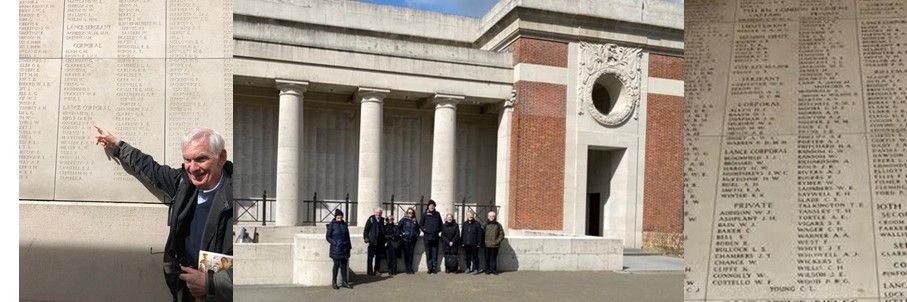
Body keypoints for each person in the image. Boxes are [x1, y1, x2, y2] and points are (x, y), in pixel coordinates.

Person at [94, 124, 233, 301]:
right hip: (186, 290)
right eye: (187, 159)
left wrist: (210, 283)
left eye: (200, 159)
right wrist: (117, 146)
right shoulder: (183, 183)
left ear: (221, 157)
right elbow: (152, 169)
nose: (192, 168)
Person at [326, 209, 352, 290]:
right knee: (336, 265)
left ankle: (344, 282)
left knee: (344, 266)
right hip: (336, 249)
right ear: (336, 217)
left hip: (344, 248)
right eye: (338, 216)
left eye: (340, 216)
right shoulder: (332, 225)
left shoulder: (344, 225)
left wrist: (349, 248)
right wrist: (335, 243)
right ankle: (334, 282)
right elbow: (328, 237)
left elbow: (348, 237)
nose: (339, 217)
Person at [420, 200, 443, 274]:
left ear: (434, 206)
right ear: (428, 206)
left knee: (435, 253)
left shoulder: (437, 214)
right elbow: (421, 224)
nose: (431, 206)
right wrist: (425, 230)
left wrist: (437, 231)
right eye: (430, 205)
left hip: (435, 237)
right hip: (427, 238)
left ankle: (434, 268)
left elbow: (441, 224)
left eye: (433, 205)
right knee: (428, 253)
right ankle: (429, 268)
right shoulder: (425, 214)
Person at [363, 207, 386, 275]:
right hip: (372, 241)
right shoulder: (371, 219)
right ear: (374, 212)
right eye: (377, 212)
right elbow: (366, 230)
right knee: (370, 257)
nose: (378, 214)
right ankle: (369, 271)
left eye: (379, 212)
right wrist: (366, 238)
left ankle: (376, 270)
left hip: (380, 241)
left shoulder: (382, 220)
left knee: (378, 257)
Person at [398, 207, 421, 274]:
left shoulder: (414, 220)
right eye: (409, 212)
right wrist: (402, 234)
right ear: (407, 213)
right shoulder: (404, 220)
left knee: (411, 254)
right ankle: (407, 268)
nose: (410, 214)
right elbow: (398, 227)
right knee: (406, 254)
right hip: (405, 240)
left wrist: (417, 234)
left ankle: (410, 268)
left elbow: (418, 229)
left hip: (413, 240)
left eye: (412, 213)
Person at [461, 210, 483, 275]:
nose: (470, 216)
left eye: (471, 215)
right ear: (467, 216)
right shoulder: (465, 224)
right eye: (468, 215)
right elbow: (463, 233)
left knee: (475, 257)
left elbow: (480, 234)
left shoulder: (477, 224)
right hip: (466, 243)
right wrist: (462, 241)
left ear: (473, 216)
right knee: (467, 257)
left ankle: (476, 269)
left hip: (475, 244)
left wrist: (479, 243)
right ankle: (468, 268)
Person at [483, 211, 505, 275]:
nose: (492, 217)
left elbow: (502, 234)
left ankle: (493, 270)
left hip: (495, 245)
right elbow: (481, 233)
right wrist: (483, 242)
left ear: (495, 217)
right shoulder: (484, 224)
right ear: (488, 217)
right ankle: (487, 270)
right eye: (490, 216)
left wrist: (497, 241)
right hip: (486, 245)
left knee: (494, 258)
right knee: (487, 258)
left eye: (493, 216)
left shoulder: (498, 225)